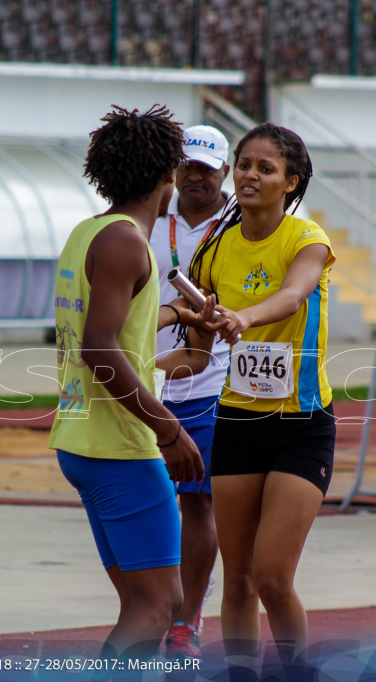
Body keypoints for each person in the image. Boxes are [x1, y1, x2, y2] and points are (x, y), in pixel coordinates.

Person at [48, 105, 219, 660]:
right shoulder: (128, 243)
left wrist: (173, 314)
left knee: (140, 602)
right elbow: (101, 348)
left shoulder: (89, 233)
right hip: (119, 446)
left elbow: (112, 329)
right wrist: (169, 430)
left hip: (81, 441)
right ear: (166, 174)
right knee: (160, 605)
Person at [189, 123, 336, 671]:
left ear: (290, 181)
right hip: (238, 424)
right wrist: (137, 363)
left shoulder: (306, 239)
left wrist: (242, 317)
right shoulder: (214, 251)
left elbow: (294, 295)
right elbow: (198, 353)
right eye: (244, 164)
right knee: (238, 582)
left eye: (265, 168)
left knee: (273, 578)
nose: (250, 175)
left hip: (302, 426)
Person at [150, 124, 232, 660]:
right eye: (188, 166)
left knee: (199, 500)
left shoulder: (244, 221)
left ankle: (186, 619)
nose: (195, 176)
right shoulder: (152, 218)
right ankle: (151, 602)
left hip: (215, 379)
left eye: (206, 167)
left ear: (225, 171)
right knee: (155, 500)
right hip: (151, 376)